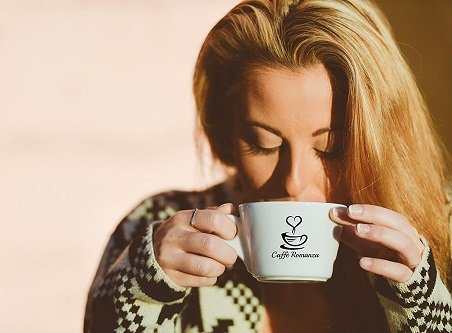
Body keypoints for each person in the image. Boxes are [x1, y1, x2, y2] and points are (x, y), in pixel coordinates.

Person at [84, 0, 452, 332]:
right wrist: (140, 296)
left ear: (383, 138)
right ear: (226, 134)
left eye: (331, 148)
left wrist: (422, 307)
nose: (293, 181)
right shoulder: (157, 225)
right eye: (265, 144)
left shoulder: (441, 228)